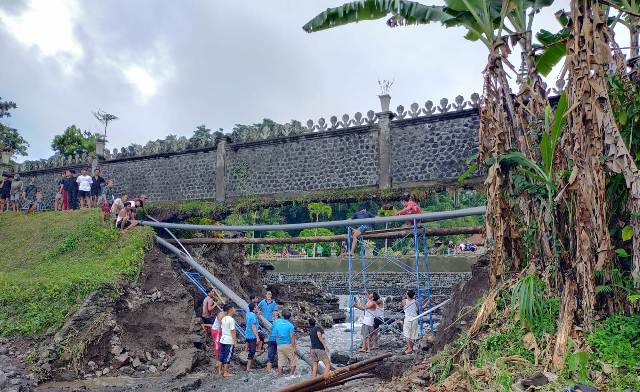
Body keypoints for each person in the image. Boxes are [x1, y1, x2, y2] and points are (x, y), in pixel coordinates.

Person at [273, 309, 296, 376]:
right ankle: (291, 376)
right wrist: (294, 347)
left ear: (282, 316)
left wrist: (278, 343)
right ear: (290, 317)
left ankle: (280, 375)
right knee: (293, 361)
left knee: (280, 362)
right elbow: (292, 337)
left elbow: (276, 335)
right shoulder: (290, 326)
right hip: (288, 345)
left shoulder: (278, 324)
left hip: (280, 345)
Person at [219, 303, 237, 378]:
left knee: (222, 355)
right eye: (233, 308)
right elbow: (233, 331)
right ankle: (225, 372)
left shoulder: (224, 318)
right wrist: (235, 341)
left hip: (223, 339)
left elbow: (222, 328)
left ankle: (220, 371)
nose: (235, 310)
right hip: (229, 340)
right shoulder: (231, 319)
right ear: (230, 310)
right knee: (228, 356)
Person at [401, 290, 419, 355]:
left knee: (407, 334)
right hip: (415, 318)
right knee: (413, 333)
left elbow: (402, 307)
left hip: (408, 318)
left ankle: (409, 348)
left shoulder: (404, 301)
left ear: (407, 295)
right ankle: (411, 347)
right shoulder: (415, 302)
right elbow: (418, 309)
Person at [244, 303, 259, 371]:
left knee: (250, 349)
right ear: (254, 308)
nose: (257, 308)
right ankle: (248, 367)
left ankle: (247, 364)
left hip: (247, 334)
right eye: (256, 307)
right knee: (252, 351)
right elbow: (253, 327)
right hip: (252, 335)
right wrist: (257, 337)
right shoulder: (253, 315)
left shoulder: (248, 313)